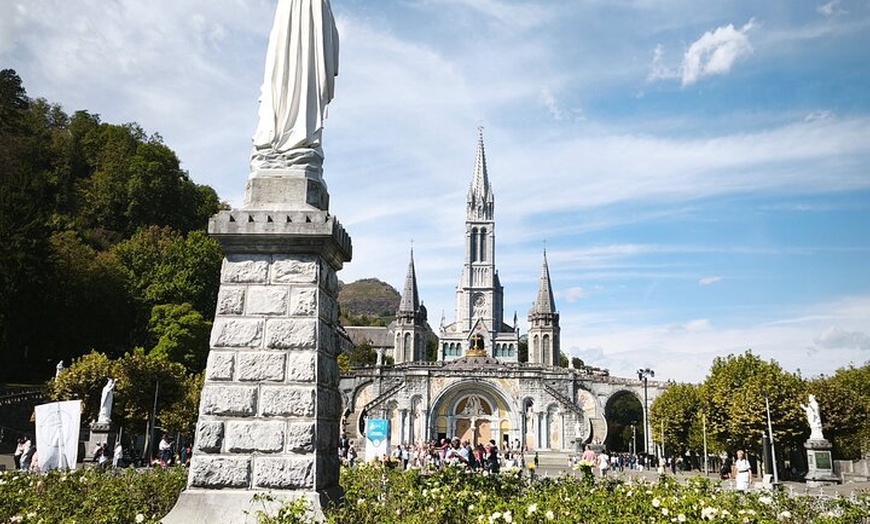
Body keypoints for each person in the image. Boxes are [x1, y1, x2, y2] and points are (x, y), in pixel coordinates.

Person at [251, 0, 339, 174]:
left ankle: (300, 136)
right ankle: (278, 137)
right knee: (283, 74)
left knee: (306, 74)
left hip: (313, 16)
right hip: (294, 15)